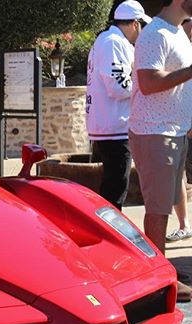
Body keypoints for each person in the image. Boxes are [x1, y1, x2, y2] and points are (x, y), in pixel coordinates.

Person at [128, 0, 192, 301]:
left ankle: (161, 273)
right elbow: (148, 82)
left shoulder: (177, 31)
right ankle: (160, 281)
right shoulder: (156, 33)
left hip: (172, 131)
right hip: (155, 133)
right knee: (158, 210)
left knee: (162, 206)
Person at [86, 0, 151, 211]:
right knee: (115, 189)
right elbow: (119, 86)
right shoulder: (114, 42)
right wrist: (145, 86)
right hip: (114, 126)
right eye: (141, 26)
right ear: (134, 23)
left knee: (113, 185)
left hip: (107, 124)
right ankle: (111, 235)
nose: (140, 32)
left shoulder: (106, 40)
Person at [166, 17, 192, 242]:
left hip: (186, 126)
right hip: (181, 127)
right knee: (179, 175)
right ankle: (184, 225)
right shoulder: (183, 52)